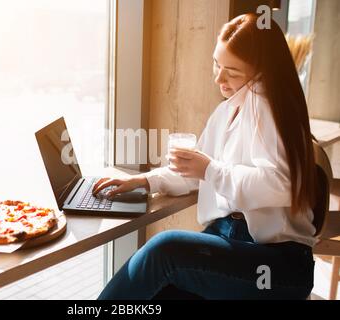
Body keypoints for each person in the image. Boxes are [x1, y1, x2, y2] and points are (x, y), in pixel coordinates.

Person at [92, 13, 317, 300]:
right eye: (216, 64)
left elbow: (281, 184)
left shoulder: (267, 107)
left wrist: (210, 170)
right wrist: (145, 181)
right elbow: (197, 168)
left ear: (262, 70)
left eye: (232, 71)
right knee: (160, 292)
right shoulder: (227, 110)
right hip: (230, 240)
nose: (218, 78)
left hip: (276, 262)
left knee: (165, 250)